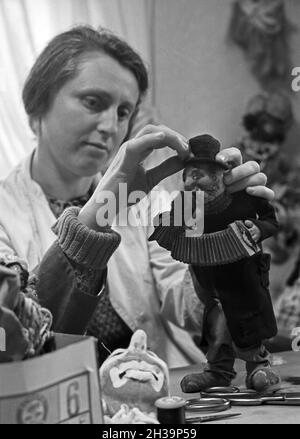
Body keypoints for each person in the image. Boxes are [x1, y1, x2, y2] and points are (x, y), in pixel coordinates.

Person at [0, 26, 274, 367]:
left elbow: (187, 303)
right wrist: (100, 213)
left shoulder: (150, 201)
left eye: (123, 112)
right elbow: (19, 341)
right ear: (37, 105)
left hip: (154, 391)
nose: (110, 126)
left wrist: (221, 230)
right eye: (93, 102)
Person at [151, 134, 280, 392]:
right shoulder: (184, 205)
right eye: (190, 174)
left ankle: (259, 367)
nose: (195, 179)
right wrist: (167, 225)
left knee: (248, 322)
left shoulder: (245, 196)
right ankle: (218, 371)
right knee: (217, 327)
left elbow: (271, 221)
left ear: (223, 174)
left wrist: (257, 229)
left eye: (205, 172)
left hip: (243, 277)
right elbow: (170, 236)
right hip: (206, 282)